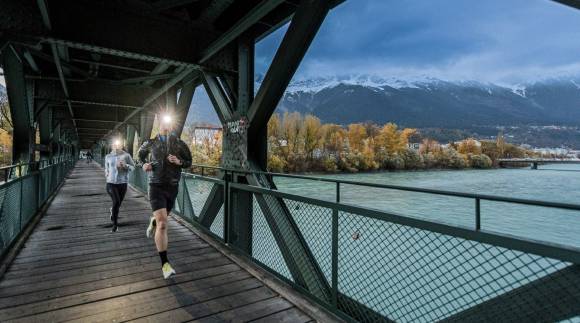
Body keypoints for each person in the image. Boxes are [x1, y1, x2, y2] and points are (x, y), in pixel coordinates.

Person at [138, 115, 192, 279]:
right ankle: (165, 264)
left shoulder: (179, 143)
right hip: (155, 186)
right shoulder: (150, 143)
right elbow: (139, 156)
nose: (166, 125)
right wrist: (144, 165)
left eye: (168, 122)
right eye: (163, 122)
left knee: (161, 219)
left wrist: (179, 161)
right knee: (163, 225)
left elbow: (189, 161)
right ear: (158, 124)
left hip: (172, 187)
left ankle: (153, 220)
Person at [104, 140, 135, 232]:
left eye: (118, 145)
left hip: (122, 183)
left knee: (117, 204)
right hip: (111, 183)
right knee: (117, 202)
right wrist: (107, 173)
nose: (116, 146)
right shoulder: (108, 156)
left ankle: (112, 210)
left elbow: (133, 167)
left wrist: (126, 166)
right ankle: (115, 225)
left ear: (122, 146)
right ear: (112, 146)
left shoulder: (126, 155)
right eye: (114, 145)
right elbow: (106, 168)